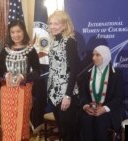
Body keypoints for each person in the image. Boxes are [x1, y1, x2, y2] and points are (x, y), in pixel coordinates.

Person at [0, 20, 40, 141]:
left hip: (24, 91)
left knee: (21, 121)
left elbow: (37, 71)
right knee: (8, 122)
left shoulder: (31, 50)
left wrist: (23, 76)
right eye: (13, 32)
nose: (16, 35)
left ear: (23, 32)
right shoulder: (5, 50)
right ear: (9, 34)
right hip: (7, 92)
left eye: (18, 31)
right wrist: (6, 75)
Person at [47, 11, 80, 141]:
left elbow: (74, 70)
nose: (52, 26)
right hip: (54, 94)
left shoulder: (70, 42)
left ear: (64, 25)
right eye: (51, 23)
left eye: (56, 23)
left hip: (66, 94)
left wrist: (68, 95)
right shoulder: (53, 41)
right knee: (62, 131)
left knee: (69, 133)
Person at [79, 45, 124, 141]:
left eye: (97, 55)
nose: (93, 58)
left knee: (101, 121)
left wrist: (104, 108)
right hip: (91, 108)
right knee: (85, 119)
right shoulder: (87, 73)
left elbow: (119, 97)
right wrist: (86, 106)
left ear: (105, 56)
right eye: (93, 55)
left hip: (108, 109)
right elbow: (83, 94)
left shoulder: (116, 74)